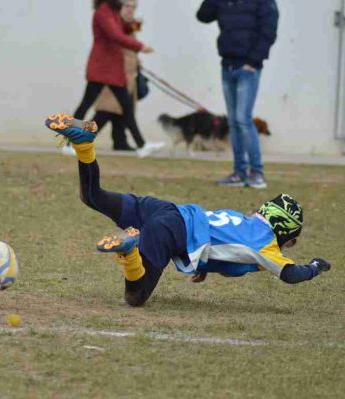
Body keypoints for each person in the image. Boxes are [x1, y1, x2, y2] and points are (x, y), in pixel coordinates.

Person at [44, 113, 331, 306]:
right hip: (170, 230)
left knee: (93, 196)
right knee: (136, 296)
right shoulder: (265, 244)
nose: (288, 246)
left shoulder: (243, 220)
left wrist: (202, 264)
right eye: (291, 239)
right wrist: (315, 267)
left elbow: (218, 239)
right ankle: (130, 250)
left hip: (167, 212)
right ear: (283, 229)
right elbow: (291, 274)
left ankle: (84, 146)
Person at [196, 0, 279, 189]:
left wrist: (254, 60)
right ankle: (239, 172)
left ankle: (257, 172)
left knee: (243, 118)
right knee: (233, 121)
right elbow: (203, 16)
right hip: (227, 65)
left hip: (248, 68)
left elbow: (269, 30)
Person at [66, 0, 164, 158]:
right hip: (102, 68)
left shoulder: (113, 11)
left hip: (112, 69)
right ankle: (69, 142)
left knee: (126, 107)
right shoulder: (103, 12)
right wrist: (141, 46)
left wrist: (134, 23)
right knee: (85, 106)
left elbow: (123, 30)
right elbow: (115, 35)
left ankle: (142, 145)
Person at [92, 0, 143, 152]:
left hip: (127, 76)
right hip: (113, 74)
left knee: (121, 111)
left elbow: (131, 48)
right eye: (127, 6)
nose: (130, 10)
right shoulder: (113, 23)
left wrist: (137, 62)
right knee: (105, 111)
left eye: (133, 7)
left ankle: (120, 142)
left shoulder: (129, 25)